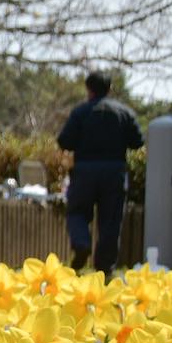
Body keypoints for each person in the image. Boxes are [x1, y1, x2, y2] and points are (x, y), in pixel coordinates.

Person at [57, 71, 144, 274]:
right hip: (114, 172)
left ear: (89, 89)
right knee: (111, 220)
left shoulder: (81, 112)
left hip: (85, 171)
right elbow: (138, 141)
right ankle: (104, 268)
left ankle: (81, 243)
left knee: (77, 212)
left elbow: (64, 141)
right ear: (109, 88)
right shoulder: (125, 113)